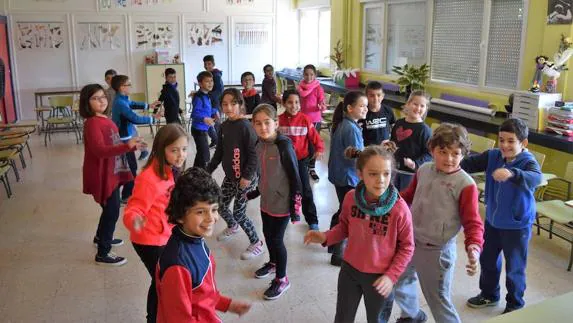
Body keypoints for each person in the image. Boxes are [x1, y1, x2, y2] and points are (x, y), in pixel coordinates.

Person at [304, 145, 414, 323]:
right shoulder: (350, 198)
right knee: (343, 317)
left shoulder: (399, 209)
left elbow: (407, 247)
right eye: (373, 174)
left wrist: (391, 276)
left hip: (381, 277)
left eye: (386, 174)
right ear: (360, 174)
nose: (380, 180)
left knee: (376, 320)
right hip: (350, 271)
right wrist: (326, 236)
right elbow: (344, 227)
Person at [389, 123, 484, 323]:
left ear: (463, 154)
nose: (449, 159)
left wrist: (474, 248)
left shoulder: (465, 185)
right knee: (398, 280)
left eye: (455, 153)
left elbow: (473, 222)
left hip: (437, 252)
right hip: (410, 242)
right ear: (432, 150)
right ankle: (412, 315)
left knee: (438, 300)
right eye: (443, 152)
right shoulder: (423, 170)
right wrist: (388, 202)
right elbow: (408, 197)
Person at [461, 118, 542, 314]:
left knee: (514, 267)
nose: (504, 145)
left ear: (523, 143)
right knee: (488, 260)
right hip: (492, 221)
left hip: (517, 226)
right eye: (501, 140)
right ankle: (489, 294)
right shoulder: (493, 156)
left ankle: (515, 305)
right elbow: (467, 163)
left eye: (511, 141)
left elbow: (536, 177)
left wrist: (513, 174)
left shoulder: (528, 161)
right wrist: (448, 159)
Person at [156, 167, 252, 322]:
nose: (211, 218)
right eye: (200, 212)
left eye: (214, 209)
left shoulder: (195, 239)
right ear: (180, 215)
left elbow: (202, 293)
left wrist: (227, 305)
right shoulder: (178, 266)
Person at [123, 124, 187, 323]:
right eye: (174, 150)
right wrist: (134, 220)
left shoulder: (170, 170)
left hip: (162, 235)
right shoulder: (149, 178)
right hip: (148, 240)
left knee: (160, 280)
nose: (180, 155)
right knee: (164, 281)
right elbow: (133, 208)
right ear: (161, 150)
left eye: (183, 149)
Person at [80, 83, 146, 266]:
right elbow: (100, 151)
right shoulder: (93, 123)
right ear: (87, 102)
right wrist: (127, 145)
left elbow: (113, 142)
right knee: (112, 210)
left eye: (102, 97)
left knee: (109, 209)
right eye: (95, 98)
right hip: (101, 173)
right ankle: (103, 252)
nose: (101, 101)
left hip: (111, 171)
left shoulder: (103, 118)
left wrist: (132, 144)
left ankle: (100, 237)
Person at [248, 104, 302, 300]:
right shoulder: (259, 144)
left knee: (277, 240)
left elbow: (295, 178)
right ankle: (273, 263)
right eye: (258, 123)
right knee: (268, 235)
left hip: (282, 202)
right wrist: (255, 193)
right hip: (266, 201)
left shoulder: (283, 145)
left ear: (276, 123)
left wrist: (295, 208)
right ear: (253, 126)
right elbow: (263, 175)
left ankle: (282, 278)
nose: (263, 127)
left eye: (267, 122)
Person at [206, 88, 264, 260]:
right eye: (225, 104)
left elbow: (255, 155)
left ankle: (256, 243)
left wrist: (247, 176)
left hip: (247, 179)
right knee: (220, 204)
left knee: (240, 213)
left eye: (233, 103)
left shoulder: (247, 127)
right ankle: (233, 226)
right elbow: (219, 152)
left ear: (240, 104)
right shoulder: (223, 126)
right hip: (231, 176)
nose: (228, 107)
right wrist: (208, 170)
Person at [327, 91, 368, 266]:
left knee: (343, 210)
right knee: (349, 215)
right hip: (348, 177)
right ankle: (338, 254)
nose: (366, 109)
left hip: (340, 175)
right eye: (362, 106)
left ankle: (331, 241)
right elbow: (358, 157)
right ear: (350, 108)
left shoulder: (346, 124)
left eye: (366, 106)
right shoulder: (351, 128)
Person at [278, 89, 324, 230]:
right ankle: (286, 216)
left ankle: (312, 220)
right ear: (284, 103)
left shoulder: (305, 119)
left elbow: (315, 137)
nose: (294, 105)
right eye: (290, 102)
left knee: (305, 190)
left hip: (301, 160)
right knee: (284, 189)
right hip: (283, 162)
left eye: (297, 102)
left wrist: (319, 148)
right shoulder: (279, 120)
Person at [111, 75, 160, 203]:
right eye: (129, 84)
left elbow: (133, 104)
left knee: (129, 166)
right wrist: (153, 118)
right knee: (130, 167)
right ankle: (125, 195)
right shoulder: (120, 103)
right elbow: (134, 118)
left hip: (127, 136)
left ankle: (125, 193)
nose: (131, 87)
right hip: (123, 139)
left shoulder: (123, 99)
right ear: (122, 87)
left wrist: (148, 105)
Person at [390, 90, 432, 191]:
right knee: (391, 196)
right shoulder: (399, 123)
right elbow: (393, 142)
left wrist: (415, 164)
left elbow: (429, 154)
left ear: (426, 109)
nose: (418, 108)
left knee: (406, 200)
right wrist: (388, 147)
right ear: (408, 104)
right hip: (394, 169)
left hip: (411, 174)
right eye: (415, 104)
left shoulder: (424, 130)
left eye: (422, 106)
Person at [297, 64, 326, 181]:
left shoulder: (318, 88)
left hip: (314, 120)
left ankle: (312, 168)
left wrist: (322, 105)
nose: (308, 77)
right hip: (302, 119)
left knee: (313, 145)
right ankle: (302, 166)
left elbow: (322, 101)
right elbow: (296, 101)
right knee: (302, 144)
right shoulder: (299, 87)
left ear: (315, 75)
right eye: (306, 74)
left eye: (311, 74)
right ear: (303, 75)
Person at [191, 71, 216, 169]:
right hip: (198, 130)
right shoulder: (199, 97)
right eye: (207, 81)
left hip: (204, 128)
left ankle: (194, 173)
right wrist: (204, 118)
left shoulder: (206, 95)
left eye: (211, 81)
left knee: (201, 154)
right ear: (200, 84)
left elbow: (206, 109)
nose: (210, 83)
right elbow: (194, 114)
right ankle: (203, 176)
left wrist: (215, 111)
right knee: (205, 155)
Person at [359, 81, 396, 146]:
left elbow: (394, 128)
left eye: (378, 95)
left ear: (383, 96)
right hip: (368, 150)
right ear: (366, 96)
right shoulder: (362, 112)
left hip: (384, 149)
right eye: (372, 95)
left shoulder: (388, 110)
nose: (376, 98)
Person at [203, 55, 224, 149]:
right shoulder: (207, 74)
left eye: (209, 64)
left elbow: (219, 90)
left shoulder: (216, 75)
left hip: (215, 104)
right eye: (205, 64)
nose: (207, 66)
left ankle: (219, 142)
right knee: (209, 123)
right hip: (209, 103)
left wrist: (207, 95)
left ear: (213, 64)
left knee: (216, 124)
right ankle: (215, 141)